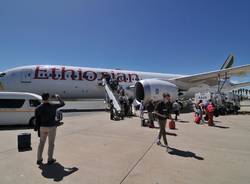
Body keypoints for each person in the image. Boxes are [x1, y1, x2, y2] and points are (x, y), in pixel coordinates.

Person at [35, 93, 65, 165]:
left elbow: (37, 121)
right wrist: (58, 97)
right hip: (51, 127)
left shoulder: (38, 108)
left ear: (42, 98)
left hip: (42, 127)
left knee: (41, 143)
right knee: (51, 144)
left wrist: (38, 130)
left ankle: (39, 159)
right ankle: (50, 159)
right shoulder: (53, 106)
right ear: (48, 98)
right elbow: (63, 103)